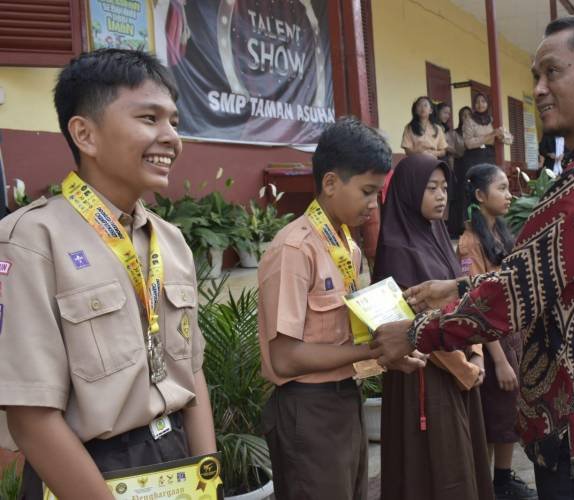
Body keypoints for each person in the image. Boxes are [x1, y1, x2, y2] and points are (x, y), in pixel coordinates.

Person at [374, 12, 574, 500]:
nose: (540, 88)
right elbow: (547, 272)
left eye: (553, 71)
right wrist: (458, 287)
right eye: (535, 76)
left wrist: (415, 333)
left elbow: (514, 294)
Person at [0, 49, 216, 499]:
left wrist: (206, 480)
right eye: (149, 118)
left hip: (176, 464)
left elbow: (192, 374)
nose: (171, 137)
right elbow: (29, 414)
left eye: (174, 122)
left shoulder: (170, 241)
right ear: (85, 134)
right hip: (86, 473)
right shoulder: (32, 239)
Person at [257, 117, 423, 500]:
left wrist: (385, 358)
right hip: (307, 409)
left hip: (346, 398)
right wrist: (377, 349)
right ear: (330, 183)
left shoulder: (346, 245)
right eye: (366, 191)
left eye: (378, 191)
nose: (373, 203)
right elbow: (284, 358)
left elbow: (348, 336)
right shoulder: (296, 250)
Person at [373, 153, 493, 500]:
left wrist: (476, 356)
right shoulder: (397, 248)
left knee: (459, 461)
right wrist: (465, 368)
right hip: (427, 374)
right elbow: (410, 326)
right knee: (436, 468)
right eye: (431, 188)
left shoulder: (439, 235)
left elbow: (464, 301)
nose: (441, 196)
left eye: (444, 188)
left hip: (460, 365)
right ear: (410, 191)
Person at [457, 164, 536, 500]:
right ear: (479, 195)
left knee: (510, 413)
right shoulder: (469, 243)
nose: (509, 195)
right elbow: (477, 305)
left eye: (508, 188)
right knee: (492, 417)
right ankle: (485, 485)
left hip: (513, 335)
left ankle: (503, 480)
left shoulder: (503, 233)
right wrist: (500, 360)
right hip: (491, 342)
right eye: (501, 188)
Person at [457, 94, 512, 237]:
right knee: (473, 191)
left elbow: (509, 139)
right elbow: (469, 143)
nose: (480, 104)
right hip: (474, 158)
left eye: (483, 101)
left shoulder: (494, 120)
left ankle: (492, 225)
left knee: (489, 190)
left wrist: (501, 135)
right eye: (477, 102)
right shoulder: (469, 121)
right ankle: (470, 226)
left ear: (488, 104)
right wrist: (491, 135)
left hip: (489, 157)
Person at [448, 106, 473, 238]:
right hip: (459, 166)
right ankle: (457, 228)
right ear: (460, 117)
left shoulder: (474, 133)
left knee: (469, 196)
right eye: (464, 115)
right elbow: (450, 151)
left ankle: (469, 226)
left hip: (472, 165)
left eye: (469, 115)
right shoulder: (454, 133)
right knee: (459, 196)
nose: (467, 117)